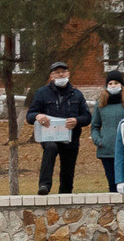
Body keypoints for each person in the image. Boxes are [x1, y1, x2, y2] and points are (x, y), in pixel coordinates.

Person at [28, 62, 92, 195]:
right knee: (51, 148)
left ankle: (65, 195)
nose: (61, 74)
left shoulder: (77, 94)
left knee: (68, 170)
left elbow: (87, 117)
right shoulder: (42, 93)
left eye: (63, 71)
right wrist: (38, 116)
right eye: (57, 72)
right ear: (51, 76)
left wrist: (77, 121)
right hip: (49, 135)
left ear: (68, 74)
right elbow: (30, 115)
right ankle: (44, 185)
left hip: (70, 137)